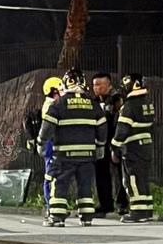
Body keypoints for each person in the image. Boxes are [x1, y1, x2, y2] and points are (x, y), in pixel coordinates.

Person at [36, 68, 107, 227]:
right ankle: (87, 217)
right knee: (85, 185)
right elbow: (102, 127)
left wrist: (40, 143)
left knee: (60, 184)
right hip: (87, 155)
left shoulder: (58, 104)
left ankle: (57, 217)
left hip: (63, 155)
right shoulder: (93, 105)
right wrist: (100, 146)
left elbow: (47, 127)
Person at [112, 73, 155, 223]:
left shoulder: (129, 107)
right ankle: (147, 209)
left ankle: (137, 212)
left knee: (133, 179)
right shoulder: (147, 103)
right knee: (143, 178)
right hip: (146, 146)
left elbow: (122, 130)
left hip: (133, 148)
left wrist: (114, 147)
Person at [24, 76, 62, 224]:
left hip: (52, 146)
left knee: (53, 176)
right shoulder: (51, 106)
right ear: (54, 90)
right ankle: (51, 205)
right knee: (51, 176)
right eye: (60, 88)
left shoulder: (53, 105)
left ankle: (54, 206)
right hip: (51, 146)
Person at [92, 72, 128, 216]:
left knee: (120, 174)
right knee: (101, 173)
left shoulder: (117, 100)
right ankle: (105, 204)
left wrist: (116, 144)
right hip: (99, 143)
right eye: (95, 85)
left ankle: (122, 204)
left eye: (101, 84)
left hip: (115, 141)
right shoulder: (93, 102)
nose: (97, 88)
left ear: (109, 85)